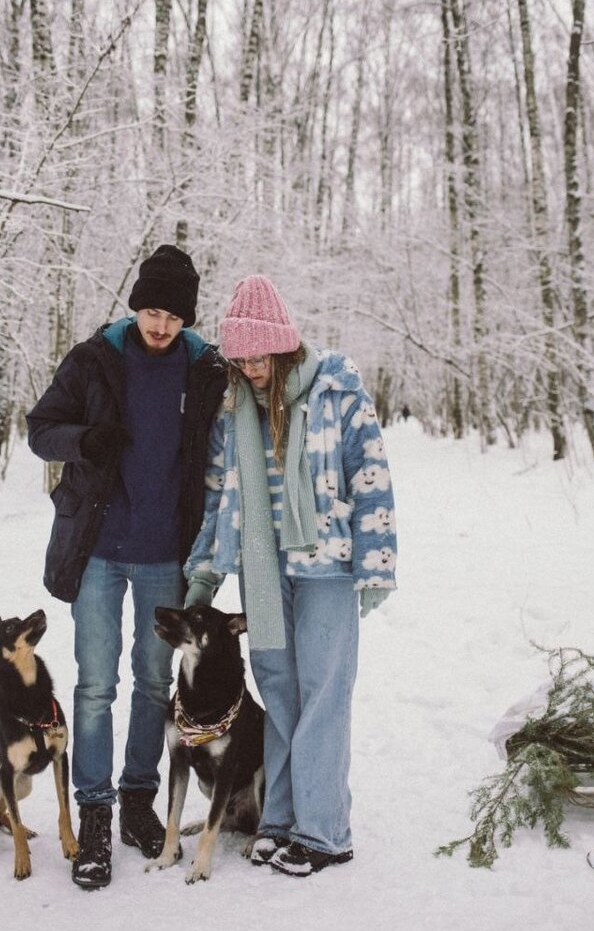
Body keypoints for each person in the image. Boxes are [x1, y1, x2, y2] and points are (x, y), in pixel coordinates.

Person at [27, 244, 227, 889]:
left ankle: (139, 802)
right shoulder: (94, 360)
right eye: (151, 310)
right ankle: (93, 817)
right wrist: (84, 441)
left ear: (188, 320)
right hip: (99, 552)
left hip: (166, 553)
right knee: (94, 686)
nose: (160, 325)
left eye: (173, 316)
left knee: (150, 681)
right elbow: (41, 428)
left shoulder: (205, 371)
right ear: (135, 305)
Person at [184, 275, 397, 876]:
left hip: (327, 566)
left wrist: (376, 562)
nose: (250, 367)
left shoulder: (337, 390)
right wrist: (204, 572)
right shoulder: (234, 411)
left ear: (283, 347)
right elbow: (218, 498)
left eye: (259, 355)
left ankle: (324, 832)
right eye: (240, 356)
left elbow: (372, 477)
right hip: (262, 568)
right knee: (278, 692)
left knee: (324, 696)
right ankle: (277, 818)